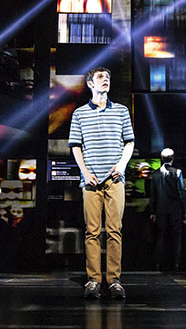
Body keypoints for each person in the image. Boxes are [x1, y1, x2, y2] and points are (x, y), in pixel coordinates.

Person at [69, 67, 134, 299]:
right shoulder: (79, 114)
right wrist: (84, 172)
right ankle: (94, 280)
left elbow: (129, 142)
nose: (105, 80)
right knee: (92, 232)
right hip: (91, 180)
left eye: (108, 77)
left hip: (115, 179)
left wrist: (122, 165)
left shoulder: (122, 111)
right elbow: (76, 146)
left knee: (115, 231)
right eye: (100, 77)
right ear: (90, 84)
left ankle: (114, 280)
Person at [149, 148, 186, 271]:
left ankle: (158, 263)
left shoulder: (155, 174)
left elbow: (152, 194)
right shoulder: (178, 173)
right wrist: (185, 211)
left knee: (160, 236)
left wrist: (152, 212)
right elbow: (181, 192)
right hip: (175, 210)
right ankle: (176, 263)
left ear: (161, 159)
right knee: (176, 237)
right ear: (173, 158)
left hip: (160, 210)